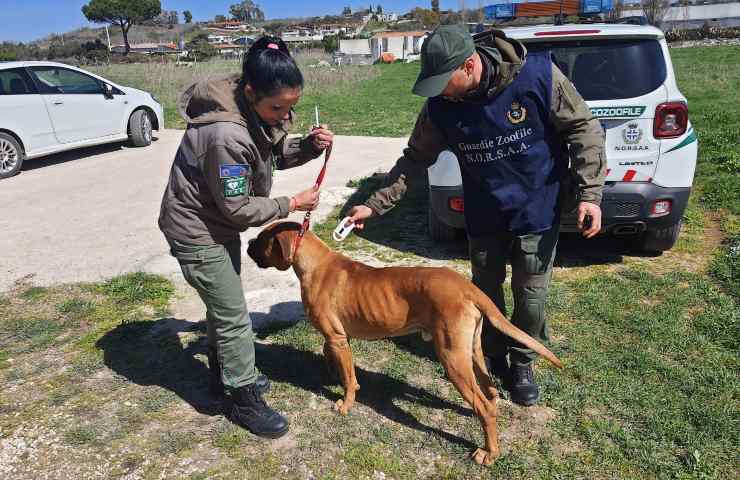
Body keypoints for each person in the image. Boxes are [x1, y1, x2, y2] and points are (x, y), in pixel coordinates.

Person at [348, 25, 605, 406]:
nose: (438, 91)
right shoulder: (440, 107)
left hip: (538, 211)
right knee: (484, 294)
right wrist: (375, 203)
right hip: (485, 216)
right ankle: (492, 352)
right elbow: (415, 159)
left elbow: (584, 128)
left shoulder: (537, 76)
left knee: (530, 298)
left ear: (469, 65)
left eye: (443, 81)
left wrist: (590, 193)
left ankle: (522, 363)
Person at [158, 36, 333, 438]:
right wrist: (291, 203)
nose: (285, 116)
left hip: (216, 226)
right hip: (197, 231)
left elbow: (271, 154)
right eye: (278, 108)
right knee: (235, 316)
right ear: (251, 91)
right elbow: (237, 208)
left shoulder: (253, 110)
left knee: (225, 308)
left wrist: (307, 146)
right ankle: (242, 399)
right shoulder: (224, 135)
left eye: (292, 107)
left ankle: (225, 376)